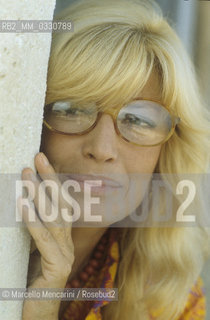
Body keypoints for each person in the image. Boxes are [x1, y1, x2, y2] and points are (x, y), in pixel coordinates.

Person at [17, 0, 210, 319]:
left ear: (167, 150)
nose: (102, 148)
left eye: (139, 120)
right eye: (71, 109)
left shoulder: (172, 299)